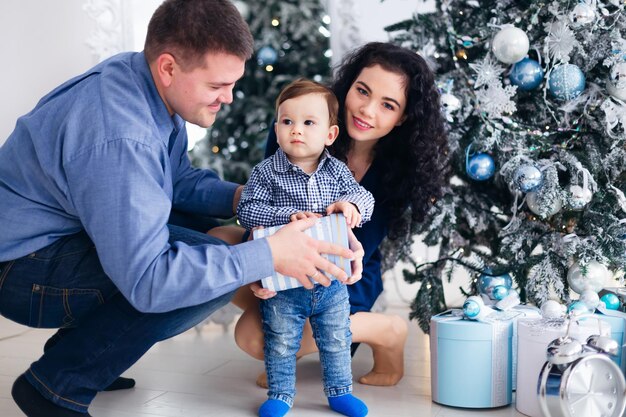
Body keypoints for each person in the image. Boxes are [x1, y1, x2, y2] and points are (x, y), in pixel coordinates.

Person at [0, 1, 362, 416]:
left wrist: (250, 199)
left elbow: (173, 181)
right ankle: (56, 385)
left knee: (201, 229)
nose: (229, 98)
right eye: (217, 86)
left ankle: (83, 348)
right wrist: (269, 254)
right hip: (20, 270)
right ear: (169, 67)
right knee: (218, 268)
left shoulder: (138, 79)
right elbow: (151, 281)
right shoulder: (123, 138)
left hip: (53, 236)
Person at [233, 42, 449, 388]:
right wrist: (259, 257)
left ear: (402, 117)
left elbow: (356, 247)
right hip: (284, 253)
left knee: (252, 339)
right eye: (362, 91)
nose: (366, 110)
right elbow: (259, 212)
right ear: (348, 85)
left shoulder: (398, 171)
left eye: (387, 105)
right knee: (220, 242)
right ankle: (283, 337)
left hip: (344, 269)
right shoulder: (301, 126)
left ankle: (385, 330)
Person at [236, 79, 373, 417]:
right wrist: (286, 215)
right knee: (280, 342)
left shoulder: (337, 172)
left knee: (337, 339)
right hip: (284, 282)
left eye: (309, 122)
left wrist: (352, 206)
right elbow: (246, 210)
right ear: (277, 128)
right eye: (287, 121)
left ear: (329, 134)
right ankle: (281, 394)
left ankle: (340, 392)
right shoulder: (267, 172)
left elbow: (364, 197)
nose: (296, 130)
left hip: (331, 281)